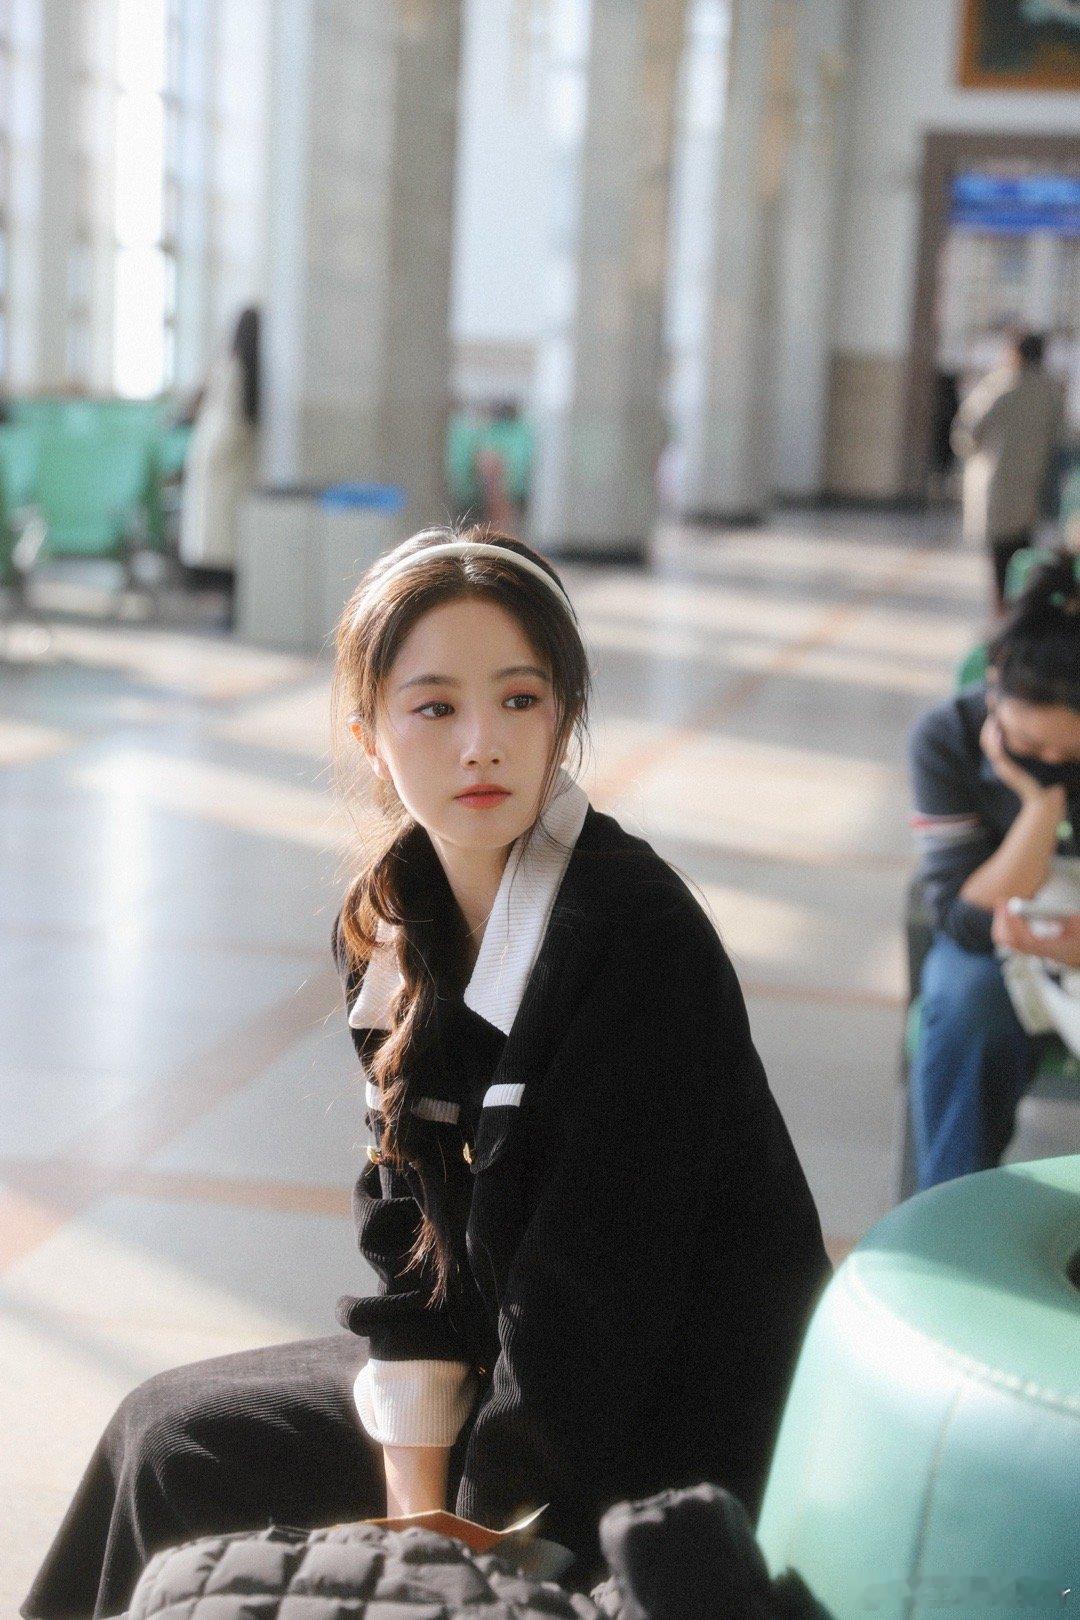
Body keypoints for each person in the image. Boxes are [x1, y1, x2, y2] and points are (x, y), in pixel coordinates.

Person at [22, 526, 831, 1618]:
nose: (482, 745)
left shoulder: (635, 940)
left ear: (565, 717)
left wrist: (472, 1541)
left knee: (199, 1469)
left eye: (520, 700)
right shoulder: (390, 930)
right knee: (165, 1436)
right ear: (370, 735)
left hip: (668, 1440)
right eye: (436, 707)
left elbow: (593, 1322)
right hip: (506, 1380)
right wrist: (413, 1507)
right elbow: (410, 1248)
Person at [907, 549, 1080, 1191]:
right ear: (995, 681)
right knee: (966, 999)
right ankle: (953, 1214)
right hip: (998, 952)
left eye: (1070, 752)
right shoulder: (946, 739)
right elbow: (964, 920)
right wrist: (1041, 808)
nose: (1050, 761)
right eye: (1031, 747)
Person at [950, 328, 1064, 614]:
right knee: (1023, 558)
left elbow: (967, 434)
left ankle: (1002, 615)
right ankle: (1018, 614)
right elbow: (1060, 441)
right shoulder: (1051, 392)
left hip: (998, 486)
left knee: (1000, 559)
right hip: (1033, 489)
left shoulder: (999, 386)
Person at [177, 306, 260, 598]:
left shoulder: (229, 366)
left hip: (218, 455)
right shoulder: (246, 370)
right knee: (227, 537)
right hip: (232, 457)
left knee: (220, 536)